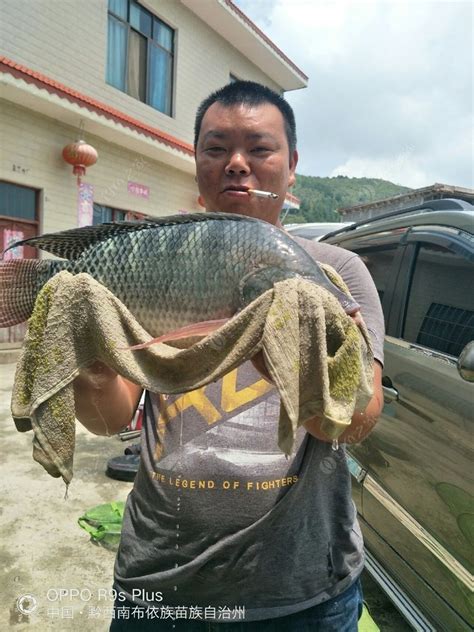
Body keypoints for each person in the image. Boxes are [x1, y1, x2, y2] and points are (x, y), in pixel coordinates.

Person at [74, 80, 384, 631]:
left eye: (260, 149)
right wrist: (93, 363)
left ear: (292, 168)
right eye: (215, 149)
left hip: (303, 593)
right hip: (161, 587)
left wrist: (289, 356)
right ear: (197, 167)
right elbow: (110, 421)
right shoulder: (158, 258)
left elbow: (355, 423)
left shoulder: (340, 275)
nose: (236, 164)